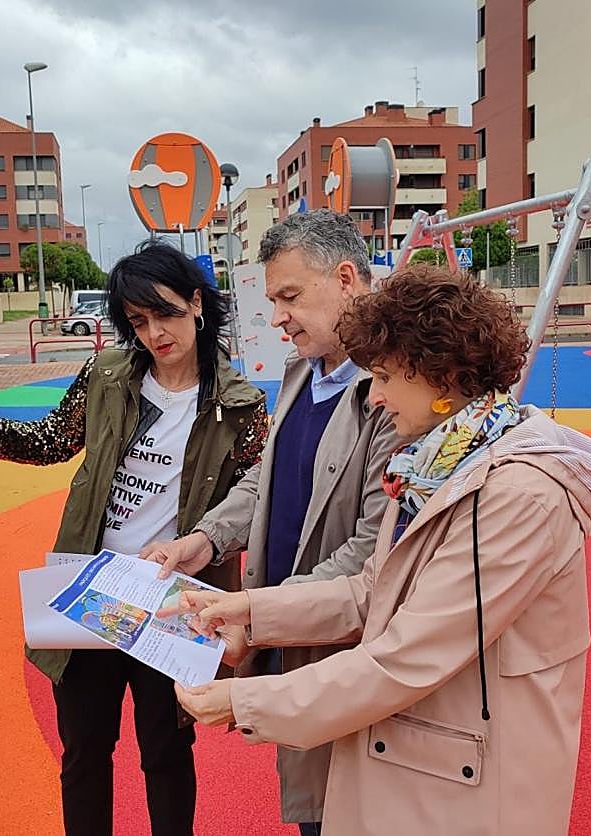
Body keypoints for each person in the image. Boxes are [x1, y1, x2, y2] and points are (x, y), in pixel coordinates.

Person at [166, 265, 591, 834]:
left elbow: (410, 655)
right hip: (426, 756)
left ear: (441, 376)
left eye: (385, 377)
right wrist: (252, 611)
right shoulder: (433, 464)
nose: (377, 398)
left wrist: (245, 705)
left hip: (469, 780)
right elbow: (374, 590)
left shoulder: (518, 496)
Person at [0, 242, 268, 836]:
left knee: (166, 753)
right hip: (90, 590)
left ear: (197, 303)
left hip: (172, 600)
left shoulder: (239, 407)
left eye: (166, 313)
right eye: (139, 321)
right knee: (84, 752)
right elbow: (52, 441)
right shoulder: (106, 376)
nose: (155, 333)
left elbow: (252, 505)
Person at [140, 210, 400, 834]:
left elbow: (373, 547)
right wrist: (203, 540)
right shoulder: (304, 373)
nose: (278, 317)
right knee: (311, 805)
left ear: (345, 279)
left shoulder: (392, 392)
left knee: (348, 806)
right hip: (288, 627)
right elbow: (267, 479)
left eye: (289, 297)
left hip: (341, 645)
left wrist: (255, 612)